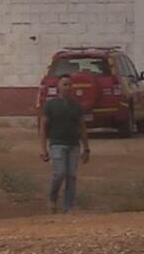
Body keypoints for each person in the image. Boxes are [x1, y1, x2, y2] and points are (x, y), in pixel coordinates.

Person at [38, 74, 91, 212]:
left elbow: (82, 127)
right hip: (57, 144)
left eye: (69, 85)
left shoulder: (76, 106)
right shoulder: (51, 105)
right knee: (60, 173)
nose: (67, 87)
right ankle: (53, 197)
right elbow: (43, 126)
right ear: (58, 86)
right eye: (64, 84)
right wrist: (43, 149)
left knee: (71, 175)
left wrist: (86, 149)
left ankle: (69, 206)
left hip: (74, 144)